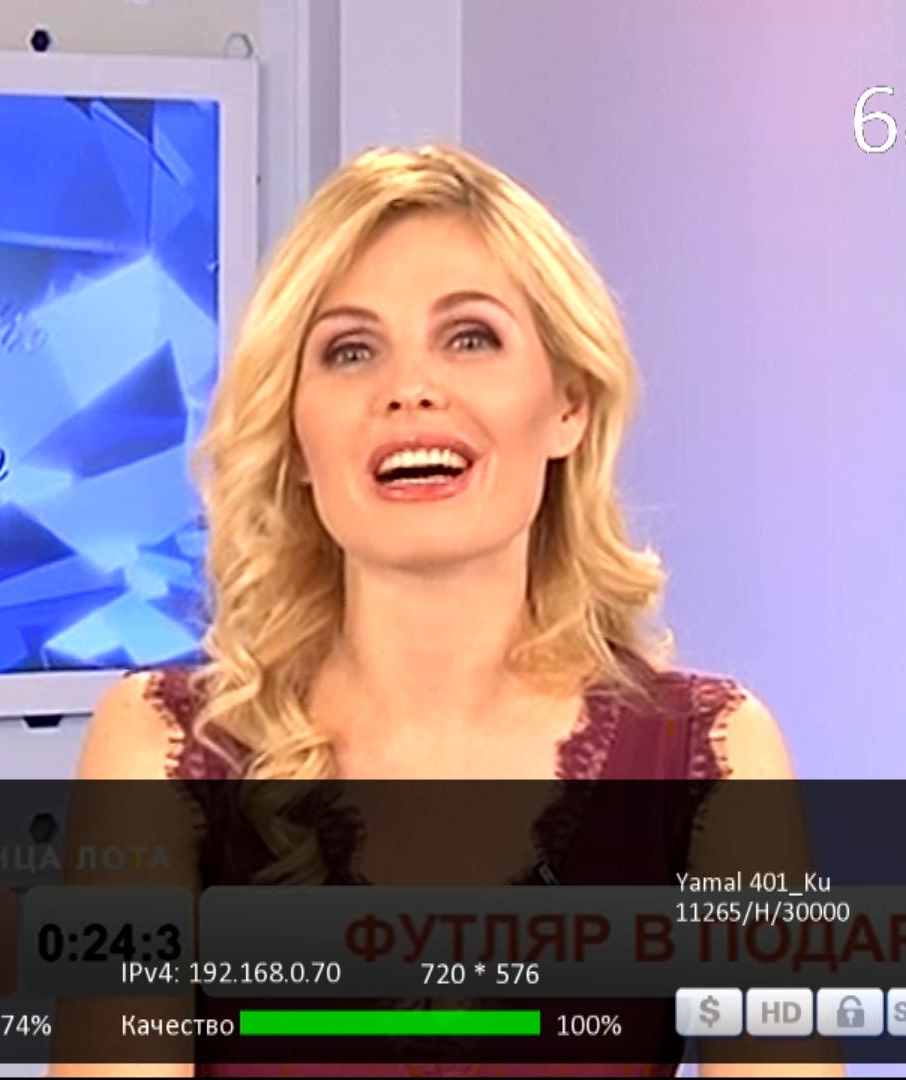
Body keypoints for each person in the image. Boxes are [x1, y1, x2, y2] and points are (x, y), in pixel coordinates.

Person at [58, 145, 827, 1077]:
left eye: (470, 338)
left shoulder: (714, 753)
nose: (410, 389)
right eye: (350, 350)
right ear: (295, 435)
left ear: (569, 405)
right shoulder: (158, 749)